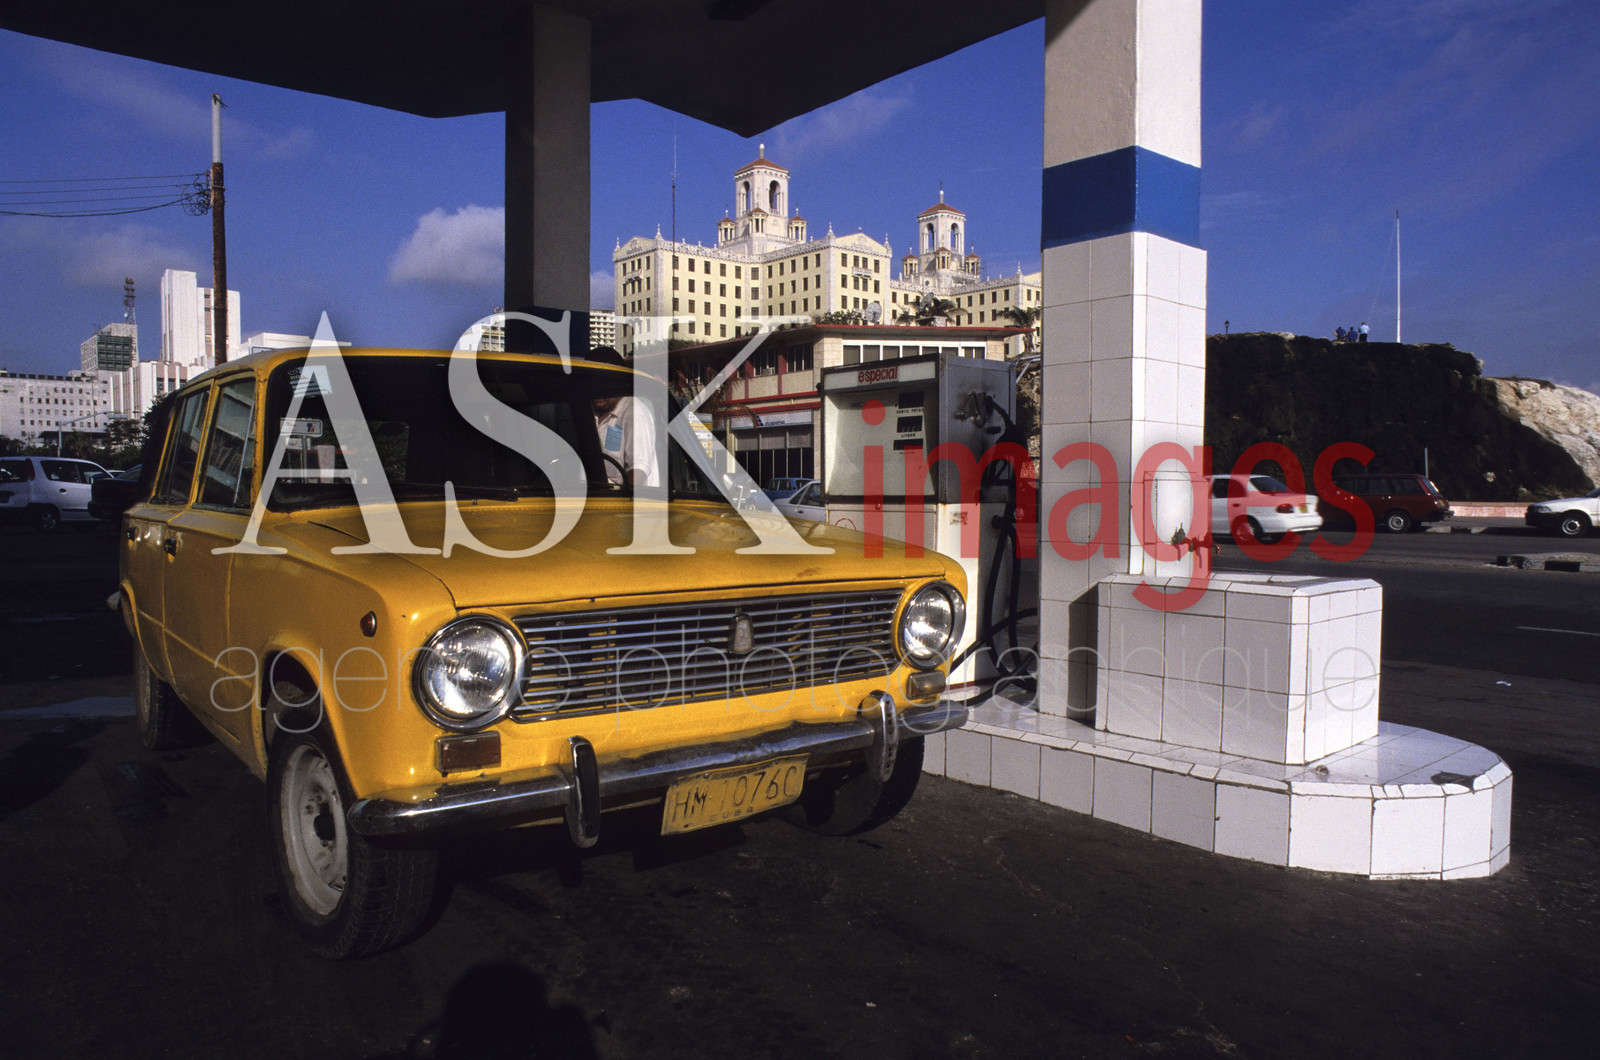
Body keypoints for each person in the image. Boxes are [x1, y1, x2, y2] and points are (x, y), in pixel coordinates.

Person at [587, 346, 660, 487]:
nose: (597, 389)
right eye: (591, 382)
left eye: (603, 382)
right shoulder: (589, 412)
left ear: (619, 382)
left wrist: (618, 498)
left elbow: (637, 472)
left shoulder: (633, 412)